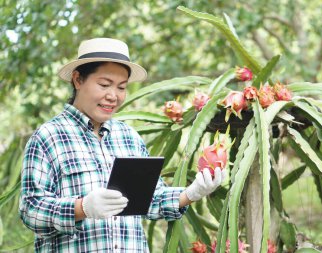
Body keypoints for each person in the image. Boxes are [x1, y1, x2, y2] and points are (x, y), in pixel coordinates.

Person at [19, 38, 226, 252]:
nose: (113, 96)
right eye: (104, 85)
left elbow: (150, 199)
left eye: (121, 87)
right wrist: (82, 208)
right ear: (78, 79)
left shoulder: (129, 137)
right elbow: (30, 211)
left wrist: (191, 193)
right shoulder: (48, 137)